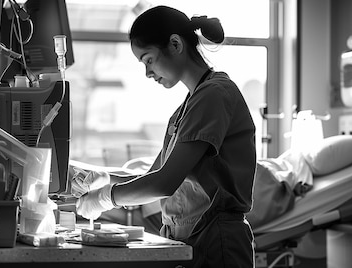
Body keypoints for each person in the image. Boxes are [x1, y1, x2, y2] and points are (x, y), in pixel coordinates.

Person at [76, 5, 257, 267]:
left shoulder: (214, 95)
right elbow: (154, 175)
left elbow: (164, 184)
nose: (148, 73)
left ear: (175, 44)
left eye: (148, 60)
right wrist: (103, 177)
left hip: (217, 240)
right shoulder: (187, 108)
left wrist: (106, 197)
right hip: (191, 238)